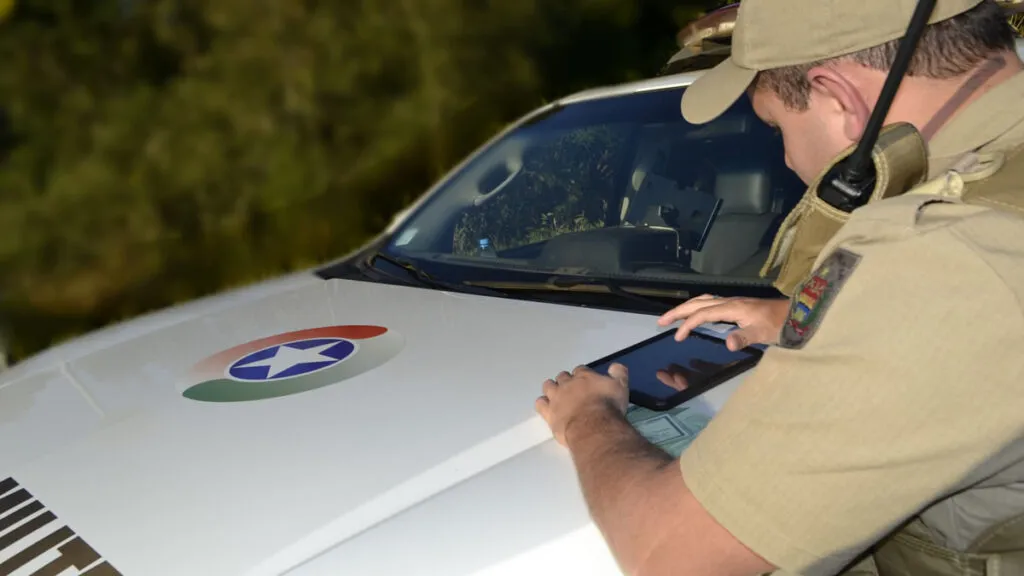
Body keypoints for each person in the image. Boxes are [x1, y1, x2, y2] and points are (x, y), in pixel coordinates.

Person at [535, 1, 1024, 575]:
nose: (788, 158)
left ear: (839, 99)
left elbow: (671, 558)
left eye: (775, 128)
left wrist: (588, 418)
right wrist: (801, 313)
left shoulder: (942, 252)